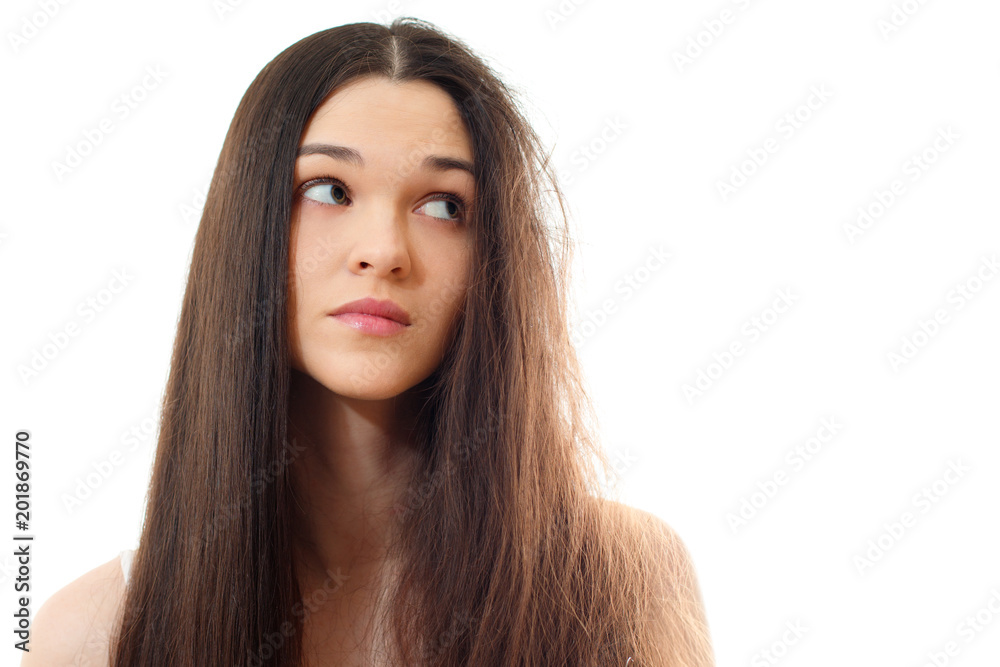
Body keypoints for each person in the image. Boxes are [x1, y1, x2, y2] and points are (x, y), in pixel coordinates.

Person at [23, 17, 714, 666]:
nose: (383, 251)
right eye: (328, 189)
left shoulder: (617, 584)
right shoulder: (92, 633)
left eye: (444, 205)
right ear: (248, 228)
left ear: (492, 262)